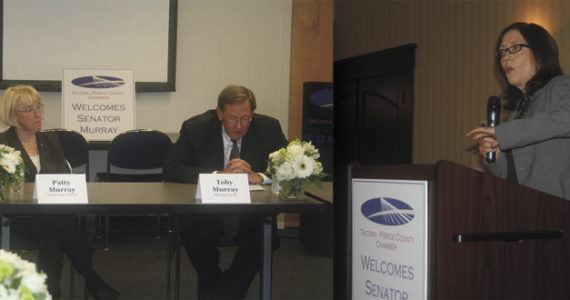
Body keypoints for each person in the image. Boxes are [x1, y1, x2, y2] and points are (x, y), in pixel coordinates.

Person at [164, 84, 288, 299]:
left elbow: (289, 167)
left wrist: (260, 176)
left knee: (265, 238)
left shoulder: (269, 128)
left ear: (253, 115)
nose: (239, 126)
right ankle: (225, 291)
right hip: (207, 212)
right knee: (197, 237)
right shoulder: (196, 128)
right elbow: (173, 168)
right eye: (232, 118)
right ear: (220, 113)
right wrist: (218, 175)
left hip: (251, 212)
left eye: (245, 119)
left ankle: (220, 294)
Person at [0, 85, 120, 299]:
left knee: (52, 229)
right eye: (29, 110)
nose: (37, 114)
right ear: (12, 115)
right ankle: (89, 274)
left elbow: (62, 177)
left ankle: (50, 292)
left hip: (51, 215)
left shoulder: (50, 140)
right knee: (57, 225)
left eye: (38, 107)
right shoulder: (2, 145)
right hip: (16, 217)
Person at [467, 22, 570, 200]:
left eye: (514, 48)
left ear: (540, 52)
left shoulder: (561, 86)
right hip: (523, 211)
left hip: (558, 213)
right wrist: (496, 156)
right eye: (502, 52)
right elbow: (511, 178)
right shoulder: (518, 111)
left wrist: (502, 133)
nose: (505, 58)